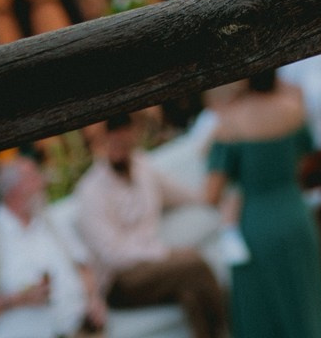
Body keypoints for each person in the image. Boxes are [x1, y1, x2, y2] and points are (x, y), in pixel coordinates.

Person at [204, 70, 321, 338]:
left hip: (255, 227)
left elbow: (211, 194)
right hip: (296, 217)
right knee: (306, 308)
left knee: (261, 317)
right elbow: (304, 160)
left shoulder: (229, 124)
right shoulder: (293, 110)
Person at [74, 114, 227, 338]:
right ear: (104, 142)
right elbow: (112, 254)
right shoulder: (90, 191)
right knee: (193, 264)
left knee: (191, 290)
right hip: (119, 281)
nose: (120, 150)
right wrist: (161, 254)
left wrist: (209, 198)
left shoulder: (142, 166)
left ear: (133, 138)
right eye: (114, 144)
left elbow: (175, 192)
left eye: (125, 144)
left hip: (153, 268)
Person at [0, 156, 103, 338]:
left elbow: (83, 265)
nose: (42, 183)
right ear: (14, 190)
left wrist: (94, 300)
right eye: (34, 178)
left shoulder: (49, 222)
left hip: (79, 332)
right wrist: (17, 300)